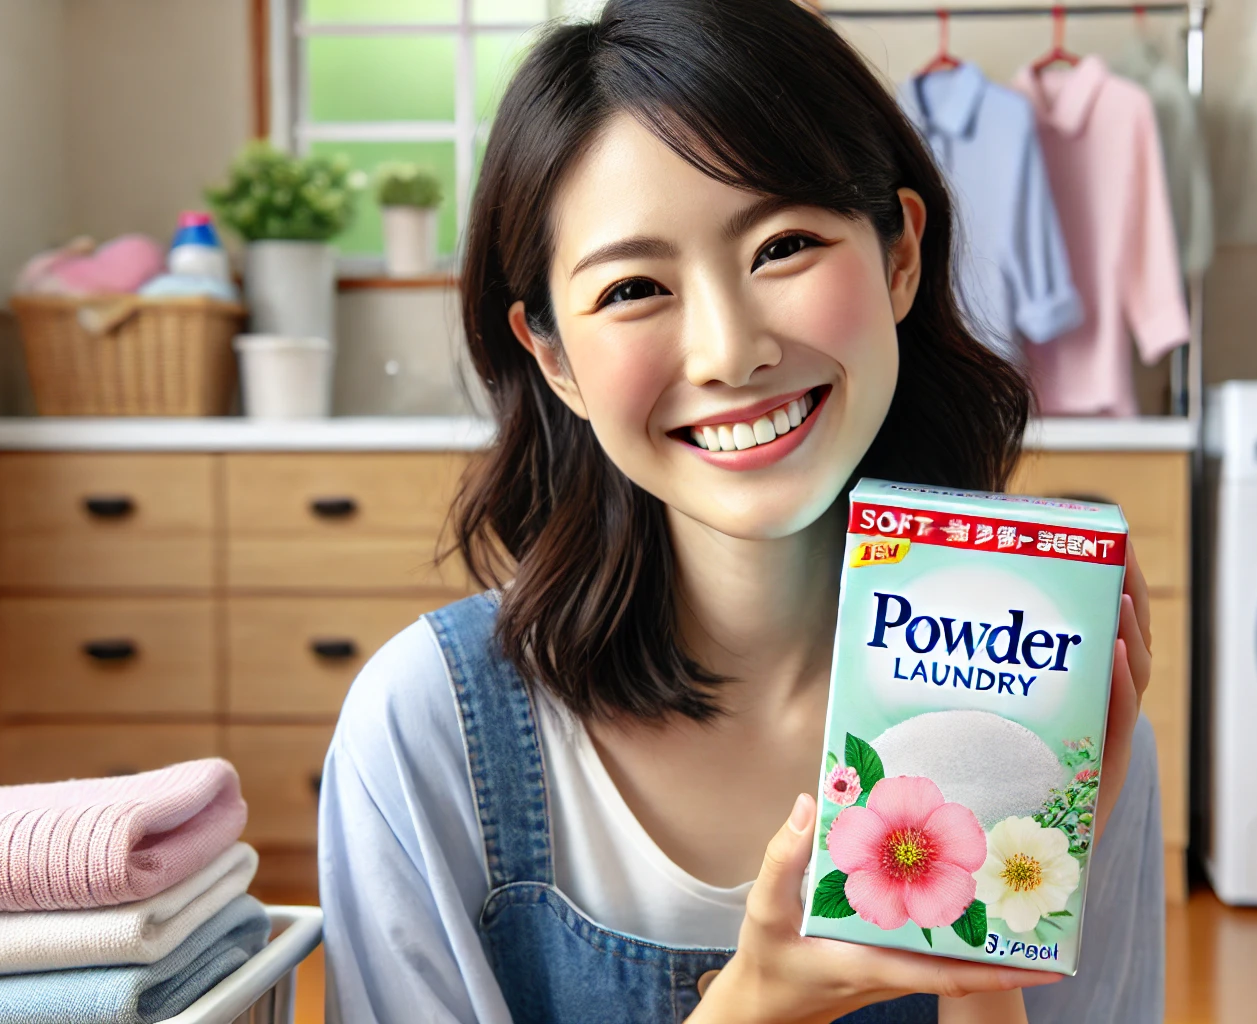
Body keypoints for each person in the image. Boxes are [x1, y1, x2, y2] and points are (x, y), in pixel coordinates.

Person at [317, 0, 1163, 1020]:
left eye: (781, 246)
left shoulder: (1047, 705)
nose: (729, 351)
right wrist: (752, 1004)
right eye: (633, 289)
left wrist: (994, 946)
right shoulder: (427, 727)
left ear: (899, 256)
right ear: (553, 358)